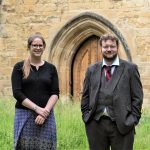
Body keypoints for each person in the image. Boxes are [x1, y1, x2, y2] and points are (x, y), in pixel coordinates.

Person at [81, 33, 143, 150]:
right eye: (106, 47)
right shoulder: (91, 70)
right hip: (95, 124)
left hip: (123, 125)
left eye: (112, 46)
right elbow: (85, 96)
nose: (109, 49)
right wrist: (86, 116)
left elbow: (137, 97)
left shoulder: (130, 68)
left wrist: (133, 119)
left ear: (117, 47)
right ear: (101, 48)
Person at [11, 33, 59, 150]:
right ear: (29, 47)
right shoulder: (19, 67)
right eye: (34, 45)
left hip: (46, 116)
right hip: (24, 115)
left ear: (44, 47)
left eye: (40, 45)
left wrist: (45, 112)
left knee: (47, 146)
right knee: (24, 147)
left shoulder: (51, 68)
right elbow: (17, 93)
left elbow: (55, 93)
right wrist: (37, 109)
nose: (38, 48)